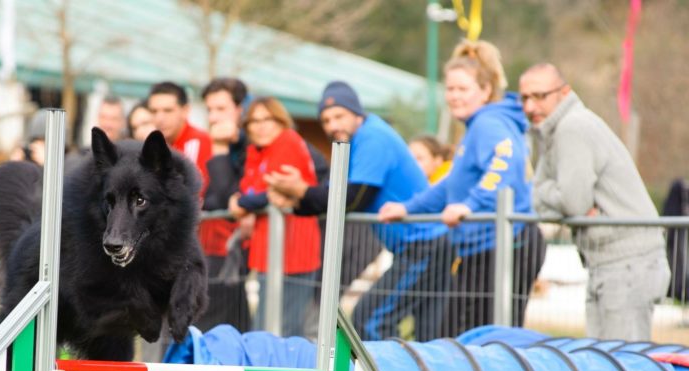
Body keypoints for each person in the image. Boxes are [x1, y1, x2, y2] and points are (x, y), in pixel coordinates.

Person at [379, 41, 546, 337]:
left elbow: (504, 163)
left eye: (463, 89)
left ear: (484, 91)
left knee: (488, 340)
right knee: (458, 337)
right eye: (450, 89)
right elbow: (451, 184)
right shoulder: (476, 128)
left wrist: (470, 205)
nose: (454, 96)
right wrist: (408, 208)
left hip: (507, 244)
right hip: (480, 248)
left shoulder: (489, 123)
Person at [266, 81, 453, 341]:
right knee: (425, 333)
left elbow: (353, 199)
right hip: (421, 245)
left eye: (339, 116)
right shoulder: (354, 144)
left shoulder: (373, 138)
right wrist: (295, 200)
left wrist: (300, 191)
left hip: (423, 245)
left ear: (357, 113)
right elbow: (328, 198)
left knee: (371, 321)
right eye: (326, 120)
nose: (332, 125)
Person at [519, 63, 669, 341]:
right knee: (605, 364)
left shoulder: (573, 127)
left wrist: (554, 195)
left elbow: (572, 202)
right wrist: (556, 194)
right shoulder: (551, 132)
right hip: (606, 263)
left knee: (625, 364)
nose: (530, 106)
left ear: (564, 93)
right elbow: (537, 197)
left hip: (629, 264)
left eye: (540, 95)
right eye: (524, 97)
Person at [228, 97, 320, 338]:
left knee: (283, 329)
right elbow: (251, 190)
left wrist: (241, 202)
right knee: (266, 327)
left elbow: (266, 194)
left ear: (281, 121)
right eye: (254, 121)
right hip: (270, 250)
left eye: (267, 119)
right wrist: (243, 200)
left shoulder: (288, 140)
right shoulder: (256, 150)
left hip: (294, 250)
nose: (260, 126)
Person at [198, 77, 252, 332]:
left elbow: (225, 199)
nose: (213, 117)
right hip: (232, 251)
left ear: (240, 109)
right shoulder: (232, 144)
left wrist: (219, 148)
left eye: (221, 109)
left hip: (254, 249)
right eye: (209, 110)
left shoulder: (252, 142)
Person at [147, 81, 212, 182]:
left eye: (168, 110)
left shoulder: (196, 142)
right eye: (154, 111)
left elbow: (194, 191)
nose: (159, 118)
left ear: (185, 111)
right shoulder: (154, 144)